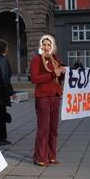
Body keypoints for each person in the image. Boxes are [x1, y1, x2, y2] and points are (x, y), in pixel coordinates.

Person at [30, 34, 66, 167]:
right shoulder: (37, 60)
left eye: (48, 45)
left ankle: (51, 156)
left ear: (52, 46)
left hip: (55, 97)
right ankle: (40, 157)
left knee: (54, 129)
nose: (46, 47)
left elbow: (58, 78)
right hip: (43, 97)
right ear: (40, 46)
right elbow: (34, 78)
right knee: (43, 129)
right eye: (44, 44)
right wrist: (53, 74)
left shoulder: (55, 59)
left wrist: (63, 72)